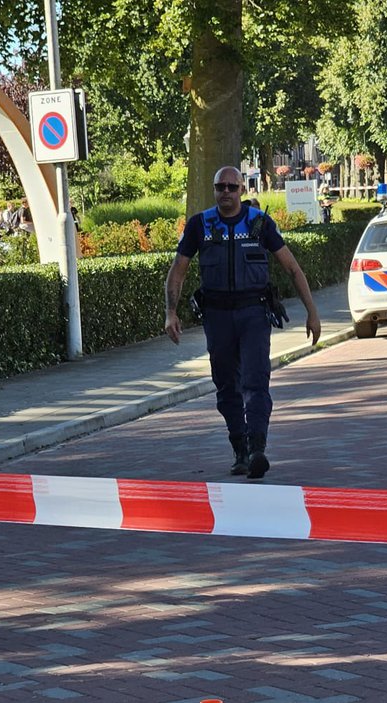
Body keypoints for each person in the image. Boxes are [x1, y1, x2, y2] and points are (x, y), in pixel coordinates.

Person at [164, 165, 322, 480]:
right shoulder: (200, 225)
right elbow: (178, 270)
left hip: (254, 314)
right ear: (214, 190)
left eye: (231, 187)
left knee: (255, 381)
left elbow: (292, 268)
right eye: (219, 187)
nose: (225, 192)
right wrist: (171, 311)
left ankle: (256, 449)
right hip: (218, 316)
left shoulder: (260, 224)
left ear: (241, 190)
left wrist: (312, 312)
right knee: (226, 385)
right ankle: (240, 448)